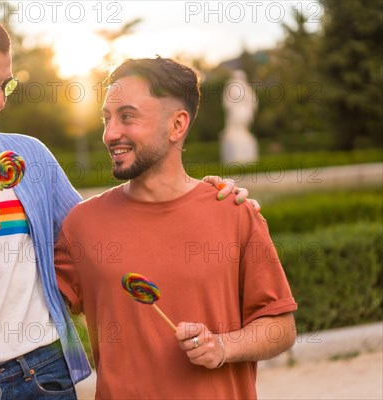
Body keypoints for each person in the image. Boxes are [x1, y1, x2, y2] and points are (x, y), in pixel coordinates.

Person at [0, 9, 251, 399]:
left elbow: (101, 236)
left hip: (44, 376)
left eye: (4, 86)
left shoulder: (31, 158)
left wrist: (197, 194)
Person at [55, 57, 297, 399]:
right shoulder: (81, 224)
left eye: (128, 117)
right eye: (106, 119)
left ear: (177, 125)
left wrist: (223, 346)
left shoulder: (234, 213)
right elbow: (27, 303)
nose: (111, 134)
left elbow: (281, 328)